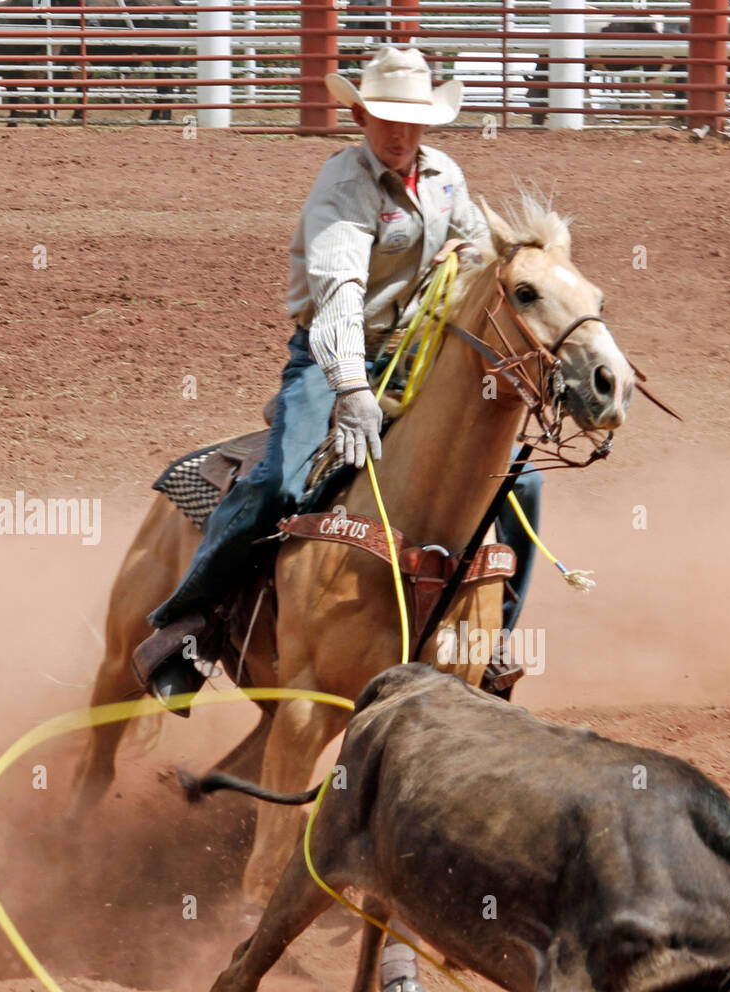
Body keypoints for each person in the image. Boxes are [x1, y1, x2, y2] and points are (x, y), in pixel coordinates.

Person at [133, 45, 542, 709]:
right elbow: (338, 298)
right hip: (331, 357)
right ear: (359, 115)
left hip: (419, 356)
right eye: (387, 119)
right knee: (281, 480)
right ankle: (190, 622)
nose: (401, 133)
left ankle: (490, 637)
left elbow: (477, 253)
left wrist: (479, 257)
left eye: (412, 120)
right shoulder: (344, 187)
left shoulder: (444, 176)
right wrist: (351, 389)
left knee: (521, 483)